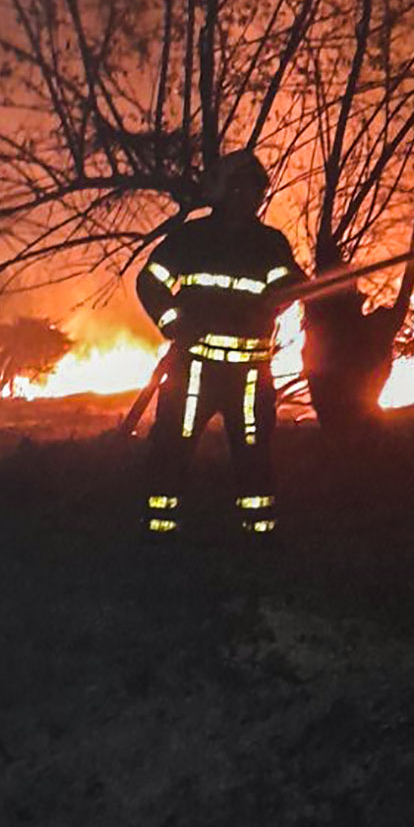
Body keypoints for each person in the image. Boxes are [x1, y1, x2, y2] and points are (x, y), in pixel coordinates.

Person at [135, 151, 304, 538]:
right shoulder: (191, 239)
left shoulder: (269, 244)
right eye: (240, 190)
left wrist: (284, 294)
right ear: (222, 191)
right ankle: (159, 530)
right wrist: (174, 322)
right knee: (172, 447)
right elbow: (151, 281)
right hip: (194, 368)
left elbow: (288, 284)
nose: (249, 199)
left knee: (253, 453)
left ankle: (259, 532)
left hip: (249, 377)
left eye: (255, 192)